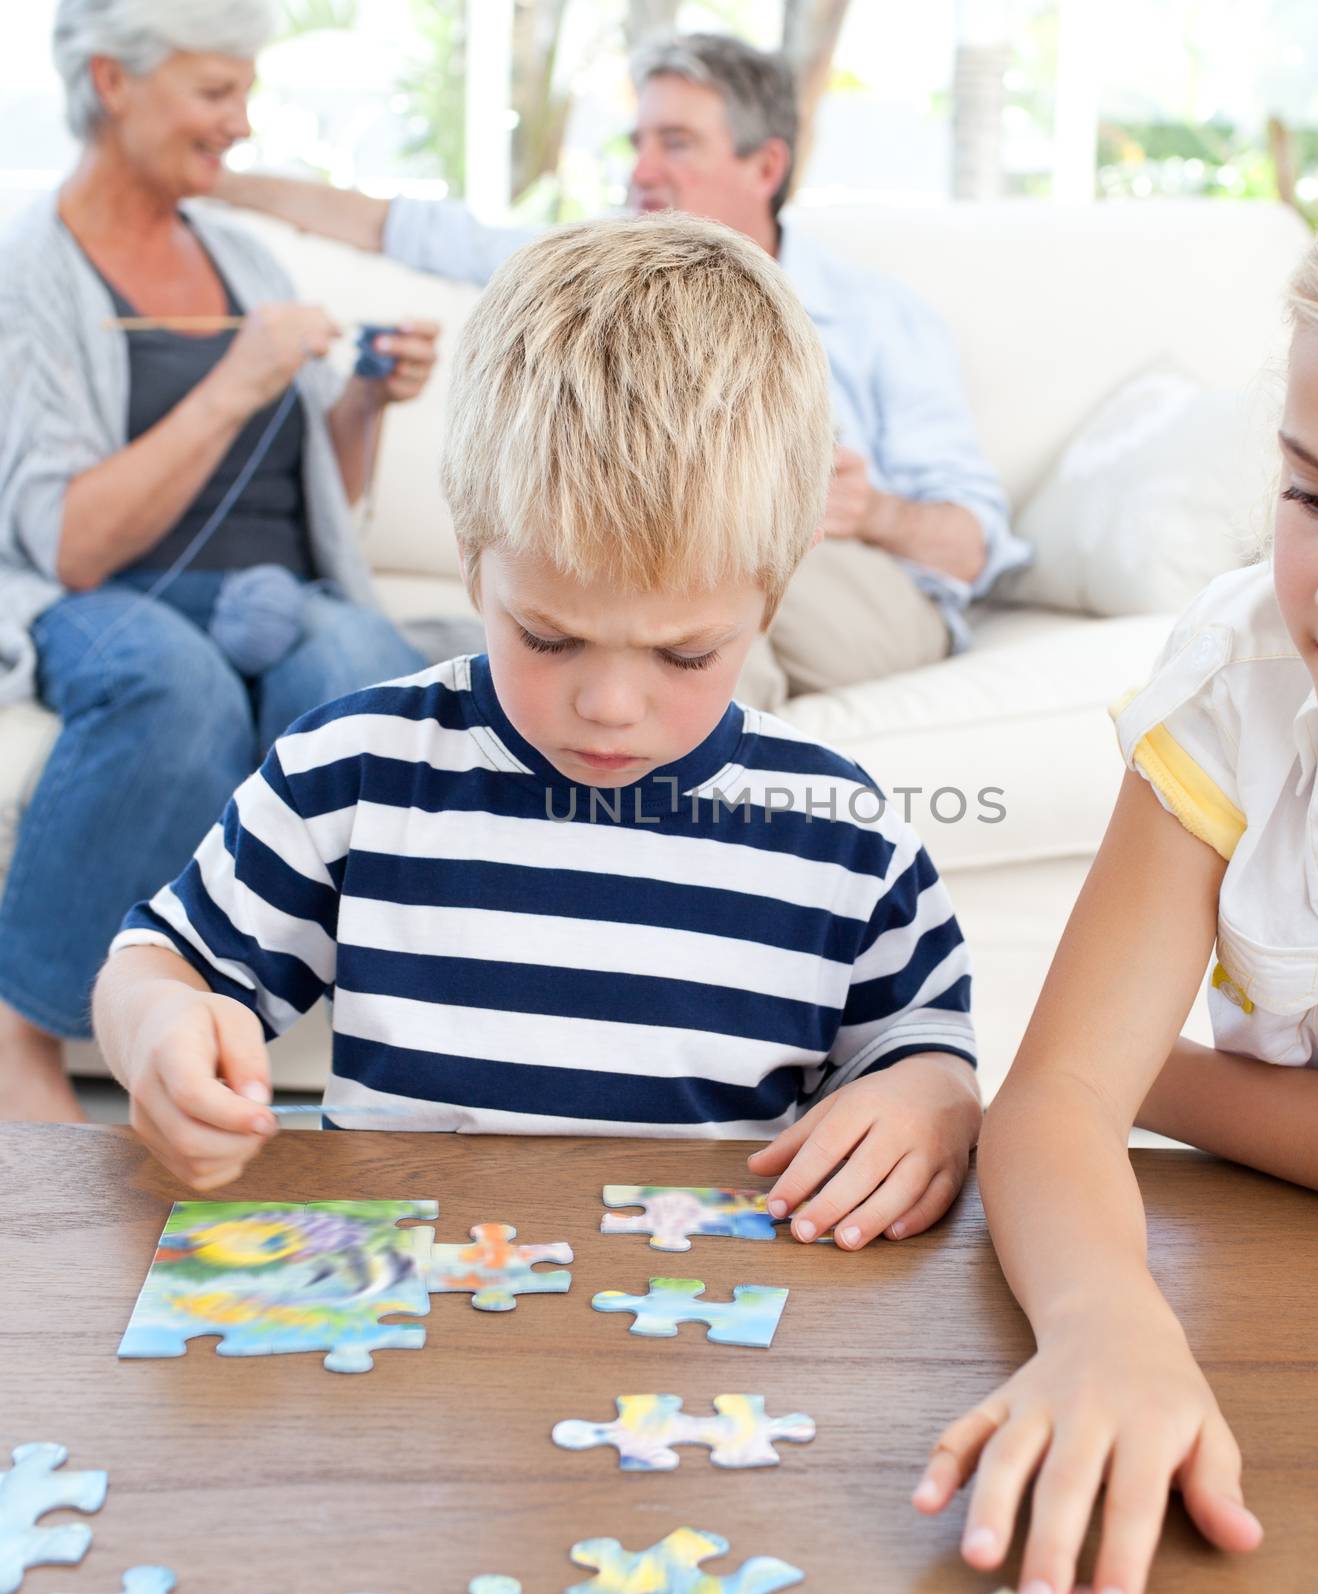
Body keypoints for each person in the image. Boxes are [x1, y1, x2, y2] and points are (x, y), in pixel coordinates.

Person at [912, 102, 1318, 1594]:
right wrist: (1107, 1327)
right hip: (1288, 1296)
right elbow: (1060, 1099)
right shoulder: (1240, 679)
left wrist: (1176, 1086)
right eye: (1314, 496)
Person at [91, 211, 983, 1251]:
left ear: (770, 600)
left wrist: (933, 1104)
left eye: (682, 654)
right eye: (550, 638)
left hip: (706, 1364)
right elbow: (160, 961)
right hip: (398, 1344)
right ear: (475, 564)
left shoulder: (842, 831)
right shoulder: (352, 777)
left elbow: (925, 1040)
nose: (608, 705)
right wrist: (157, 1031)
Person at [216, 31, 1026, 710]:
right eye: (636, 142)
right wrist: (214, 179)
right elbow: (421, 232)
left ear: (766, 167)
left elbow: (973, 548)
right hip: (663, 553)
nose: (642, 170)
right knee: (559, 625)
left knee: (704, 611)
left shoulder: (881, 318)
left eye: (676, 143)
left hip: (845, 574)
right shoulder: (596, 268)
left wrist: (871, 509)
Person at [0, 0, 442, 1123]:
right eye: (214, 91)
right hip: (103, 597)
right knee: (174, 683)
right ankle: (20, 1038)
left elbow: (322, 503)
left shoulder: (240, 255)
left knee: (354, 674)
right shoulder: (30, 278)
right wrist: (237, 378)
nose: (239, 124)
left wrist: (363, 401)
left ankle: (418, 1054)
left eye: (246, 91)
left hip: (278, 593)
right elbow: (67, 540)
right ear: (111, 80)